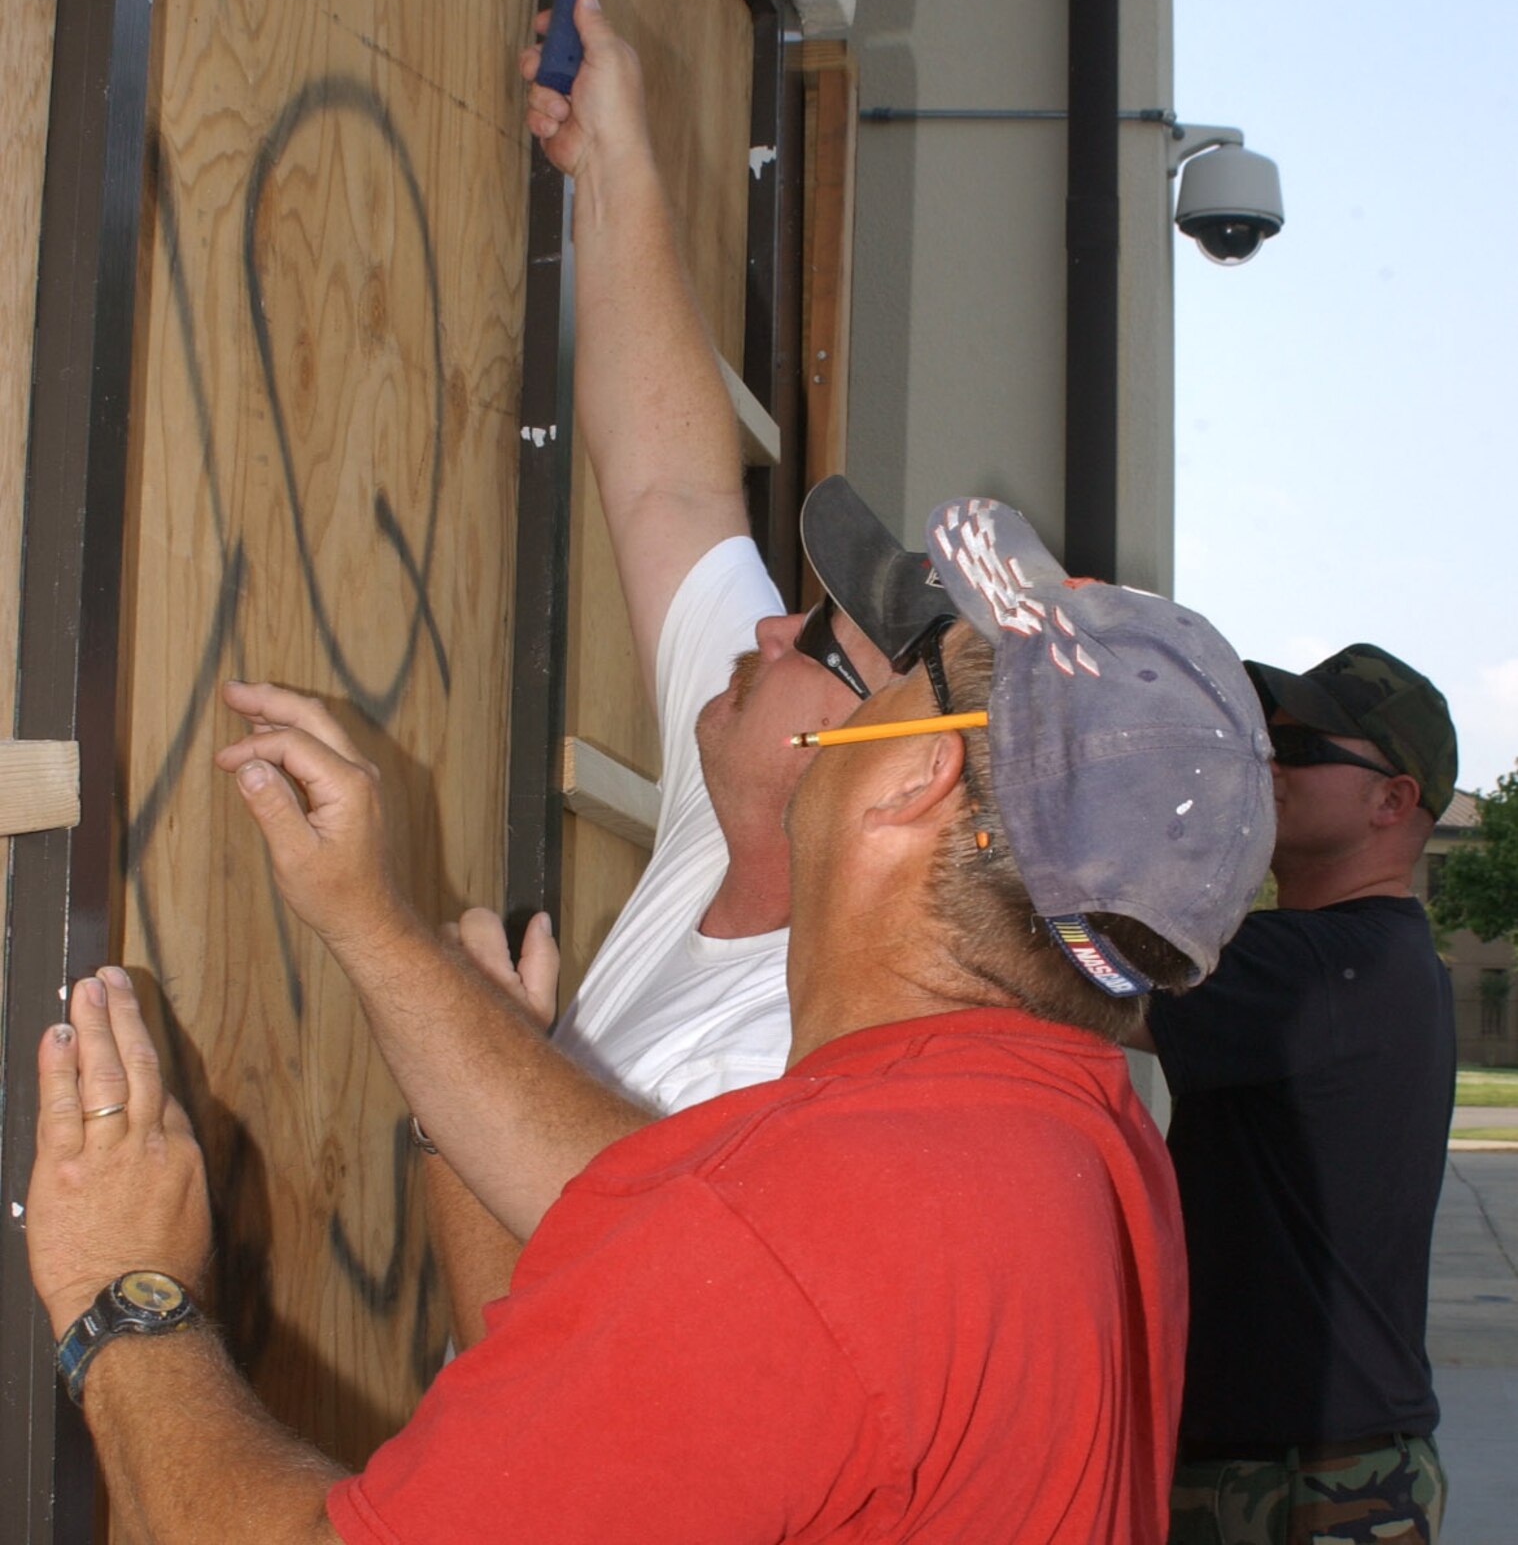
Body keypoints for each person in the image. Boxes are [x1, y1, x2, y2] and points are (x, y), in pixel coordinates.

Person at [26, 494, 1276, 1542]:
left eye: (904, 677)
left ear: (913, 779)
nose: (848, 702)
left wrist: (123, 1292)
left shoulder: (801, 1228)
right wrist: (377, 929)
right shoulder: (1077, 1142)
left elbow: (746, 1267)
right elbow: (631, 1223)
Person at [421, 0, 948, 1343]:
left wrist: (465, 1068)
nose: (770, 628)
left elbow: (542, 1362)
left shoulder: (794, 1066)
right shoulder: (743, 811)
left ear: (894, 778)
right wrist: (615, 155)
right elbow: (668, 488)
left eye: (821, 643)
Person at [1146, 642, 1458, 1544]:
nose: (1265, 763)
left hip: (1303, 1480)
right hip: (1307, 1459)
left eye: (1301, 751)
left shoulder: (1327, 965)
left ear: (1392, 801)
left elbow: (1072, 971)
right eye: (1262, 740)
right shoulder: (1367, 959)